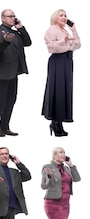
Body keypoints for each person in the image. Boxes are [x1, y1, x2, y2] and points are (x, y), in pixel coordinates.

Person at [0, 10, 32, 137]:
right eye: (10, 16)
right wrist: (6, 41)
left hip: (14, 71)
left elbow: (28, 42)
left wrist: (21, 27)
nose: (13, 18)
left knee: (11, 99)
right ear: (3, 18)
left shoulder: (16, 33)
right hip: (2, 71)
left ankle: (4, 126)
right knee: (0, 100)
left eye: (14, 16)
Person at [41, 9, 81, 137]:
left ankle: (59, 122)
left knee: (64, 91)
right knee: (57, 90)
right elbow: (51, 47)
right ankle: (55, 122)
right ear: (55, 18)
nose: (64, 17)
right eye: (61, 15)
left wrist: (74, 30)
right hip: (58, 61)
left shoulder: (65, 30)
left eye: (65, 16)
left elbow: (77, 45)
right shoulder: (52, 29)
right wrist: (64, 41)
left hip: (68, 61)